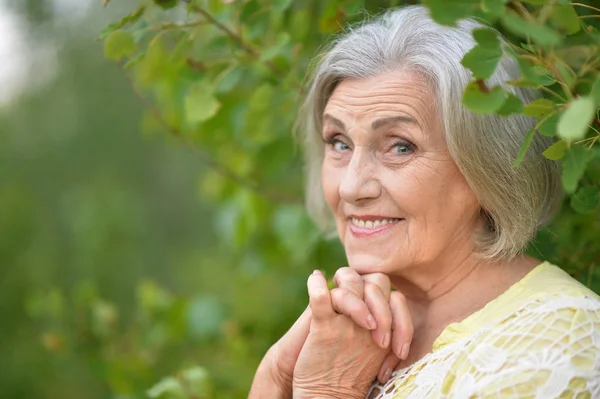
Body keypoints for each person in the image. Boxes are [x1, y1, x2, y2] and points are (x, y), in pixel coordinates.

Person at [249, 5, 600, 399]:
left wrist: (324, 391)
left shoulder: (557, 345)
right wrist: (276, 375)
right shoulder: (341, 339)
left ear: (488, 166)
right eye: (339, 142)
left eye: (400, 146)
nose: (350, 187)